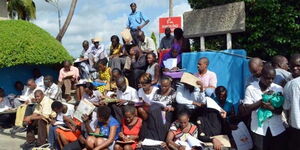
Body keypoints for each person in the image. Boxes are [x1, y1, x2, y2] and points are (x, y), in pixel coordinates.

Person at [243, 65, 286, 150]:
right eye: (267, 78)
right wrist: (261, 101)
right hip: (258, 129)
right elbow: (247, 109)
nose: (270, 81)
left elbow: (280, 110)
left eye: (272, 78)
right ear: (261, 76)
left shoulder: (278, 89)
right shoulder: (251, 88)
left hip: (276, 128)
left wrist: (271, 108)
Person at [139, 76, 176, 141]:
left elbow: (175, 108)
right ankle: (146, 139)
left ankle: (158, 138)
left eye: (165, 86)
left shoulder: (173, 93)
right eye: (162, 86)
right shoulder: (158, 91)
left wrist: (169, 108)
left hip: (166, 112)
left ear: (170, 85)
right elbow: (154, 101)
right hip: (156, 110)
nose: (163, 88)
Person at [283, 53, 300, 150]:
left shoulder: (289, 84)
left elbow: (286, 107)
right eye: (293, 66)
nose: (295, 68)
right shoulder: (289, 83)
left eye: (298, 66)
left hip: (295, 129)